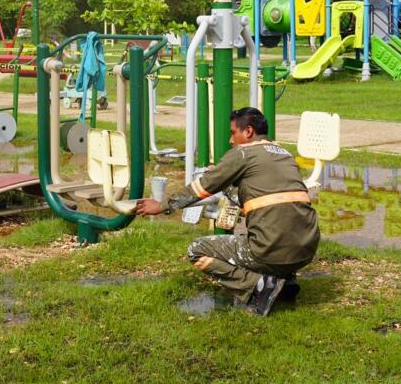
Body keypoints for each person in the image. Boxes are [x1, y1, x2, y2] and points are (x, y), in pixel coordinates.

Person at [135, 107, 320, 316]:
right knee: (280, 218)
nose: (231, 141)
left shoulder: (242, 153)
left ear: (248, 131)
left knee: (196, 250)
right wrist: (226, 182)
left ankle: (260, 285)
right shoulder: (284, 154)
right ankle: (286, 280)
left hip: (269, 250)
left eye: (233, 133)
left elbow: (202, 187)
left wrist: (163, 205)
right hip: (306, 248)